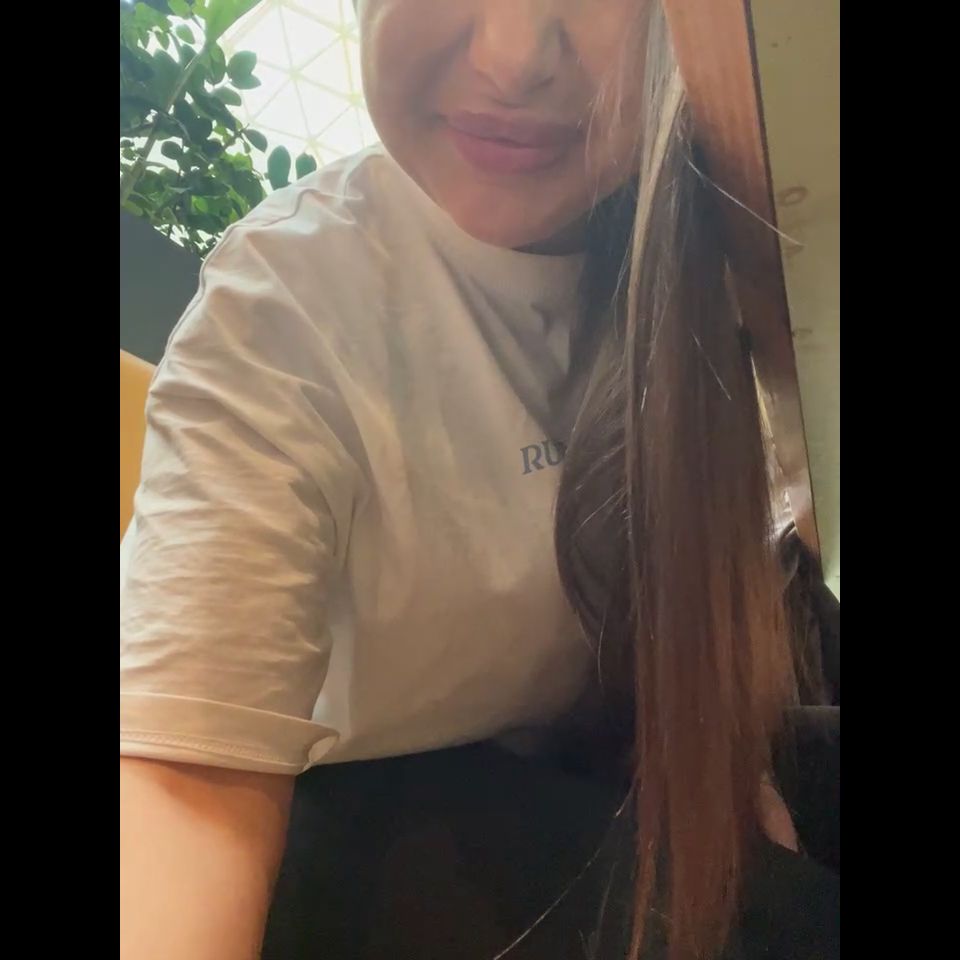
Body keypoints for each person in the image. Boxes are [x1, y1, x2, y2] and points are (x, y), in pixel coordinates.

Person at [120, 2, 839, 958]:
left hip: (577, 742)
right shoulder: (286, 299)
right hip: (338, 810)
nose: (511, 57)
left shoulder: (715, 234)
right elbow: (185, 784)